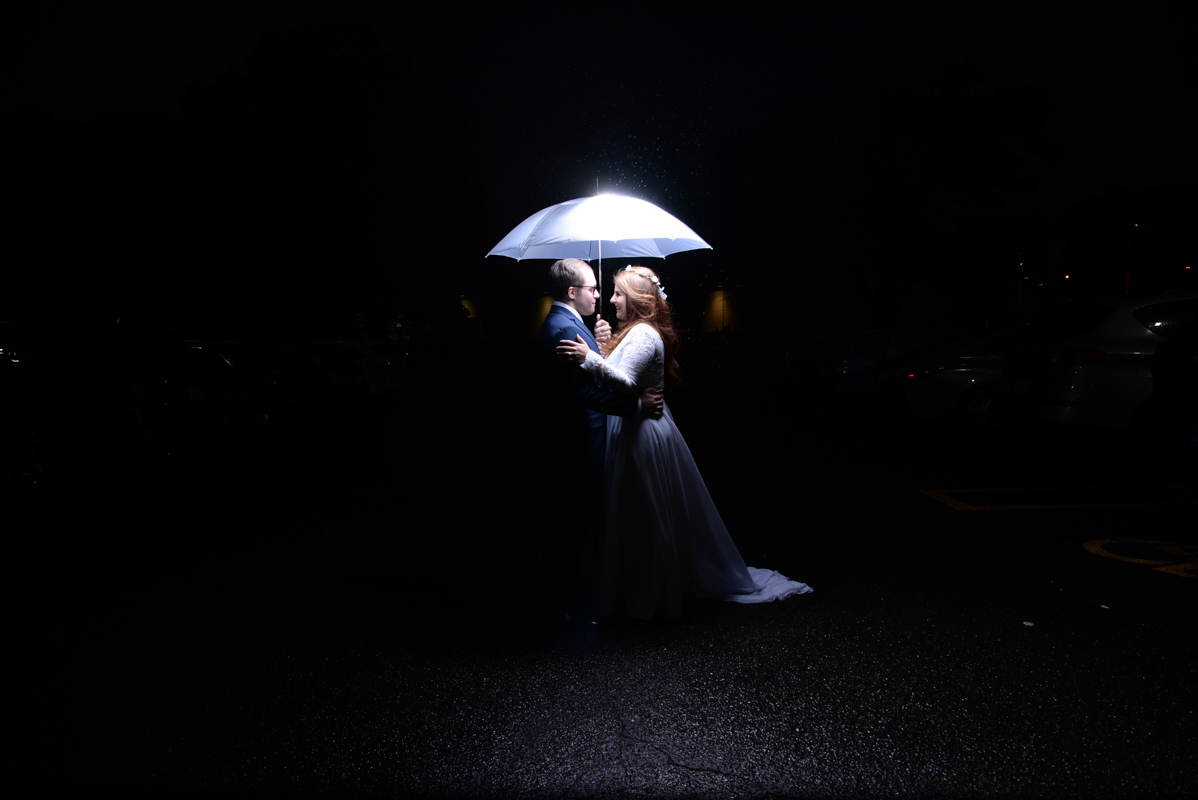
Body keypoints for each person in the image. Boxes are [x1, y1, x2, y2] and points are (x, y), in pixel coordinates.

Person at [558, 265, 812, 620]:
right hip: (632, 429)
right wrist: (601, 347)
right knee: (635, 513)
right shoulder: (633, 331)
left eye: (617, 293)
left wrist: (588, 358)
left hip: (642, 435)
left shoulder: (643, 333)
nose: (611, 299)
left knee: (646, 516)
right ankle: (637, 588)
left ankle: (653, 594)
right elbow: (621, 371)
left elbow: (627, 383)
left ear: (635, 299)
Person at [537, 258, 664, 625]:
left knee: (577, 525)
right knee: (572, 527)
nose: (599, 296)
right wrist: (635, 406)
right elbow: (585, 393)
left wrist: (600, 345)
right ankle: (565, 606)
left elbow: (600, 373)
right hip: (577, 444)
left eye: (606, 290)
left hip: (583, 441)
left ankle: (572, 598)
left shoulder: (570, 323)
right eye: (593, 288)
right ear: (572, 292)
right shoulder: (564, 327)